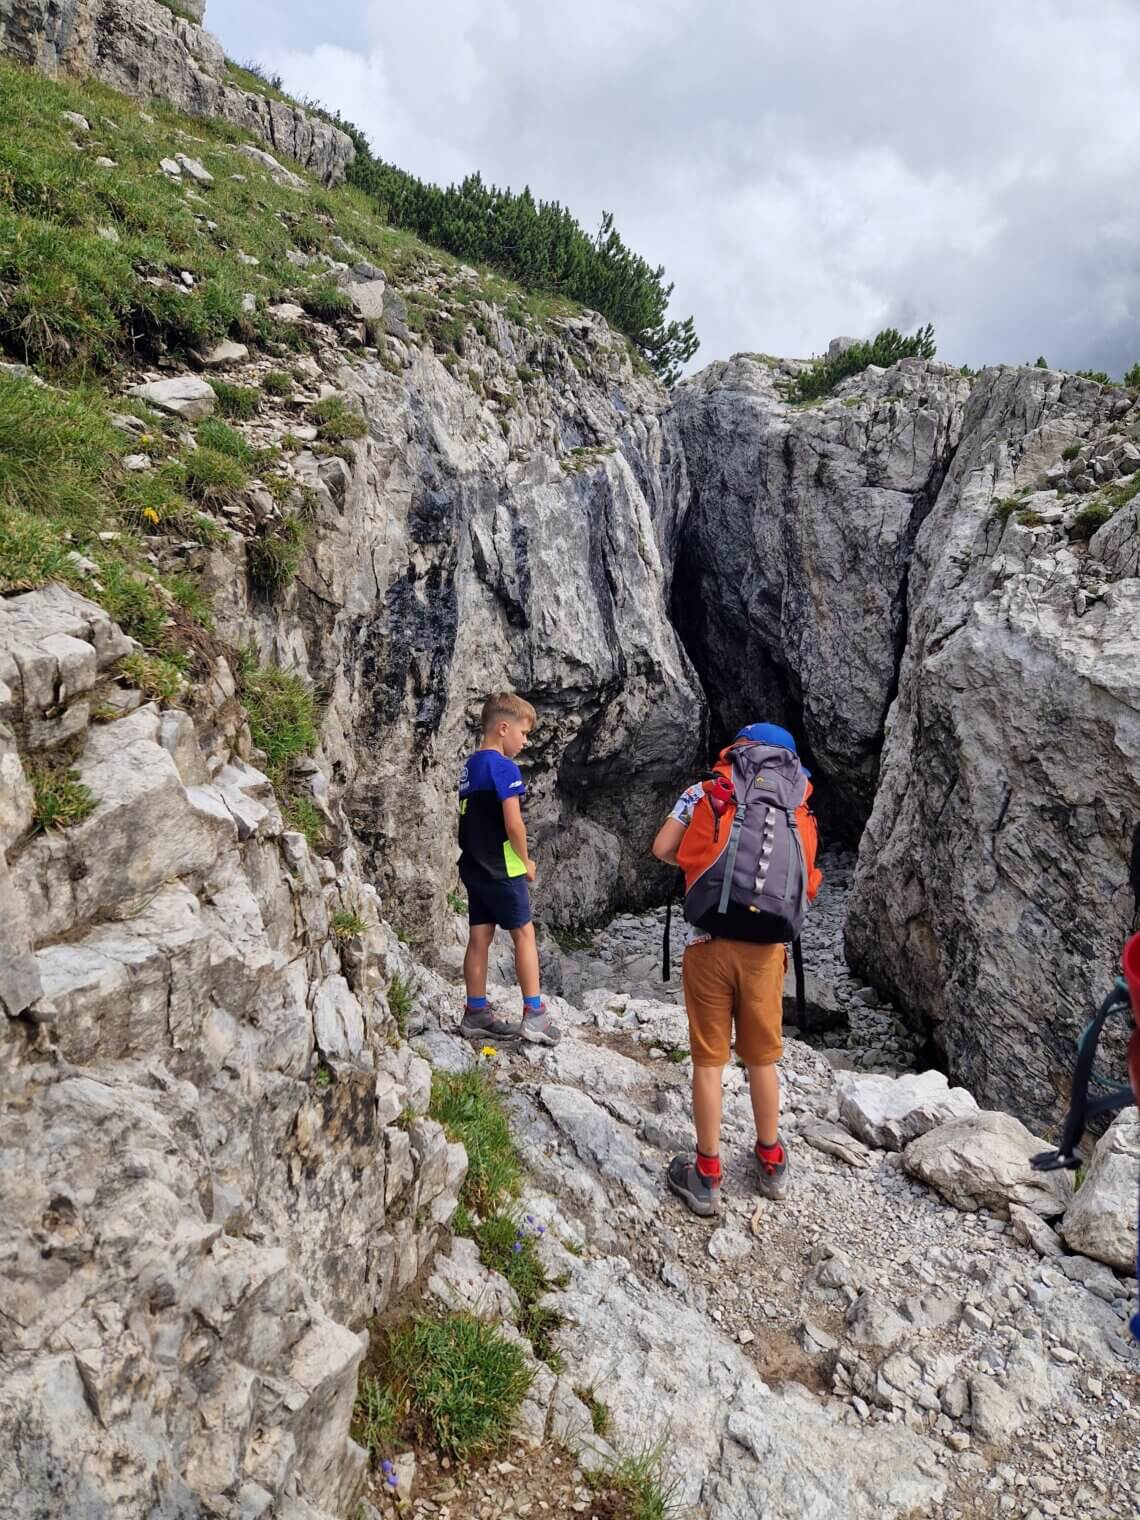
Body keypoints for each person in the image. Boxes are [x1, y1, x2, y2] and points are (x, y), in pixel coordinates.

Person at [651, 722, 821, 1216]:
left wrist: (701, 862)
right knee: (762, 1057)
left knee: (709, 1060)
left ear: (738, 750)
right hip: (767, 950)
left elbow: (662, 848)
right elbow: (805, 885)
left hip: (708, 943)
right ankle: (770, 1160)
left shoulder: (706, 789)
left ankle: (706, 1174)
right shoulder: (799, 803)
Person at [456, 692, 560, 1047]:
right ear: (503, 728)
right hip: (502, 867)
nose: (525, 741)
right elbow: (514, 824)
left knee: (480, 937)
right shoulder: (504, 767)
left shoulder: (470, 767)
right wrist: (526, 861)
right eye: (524, 733)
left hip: (473, 866)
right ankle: (534, 1014)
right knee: (524, 934)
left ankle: (476, 1012)